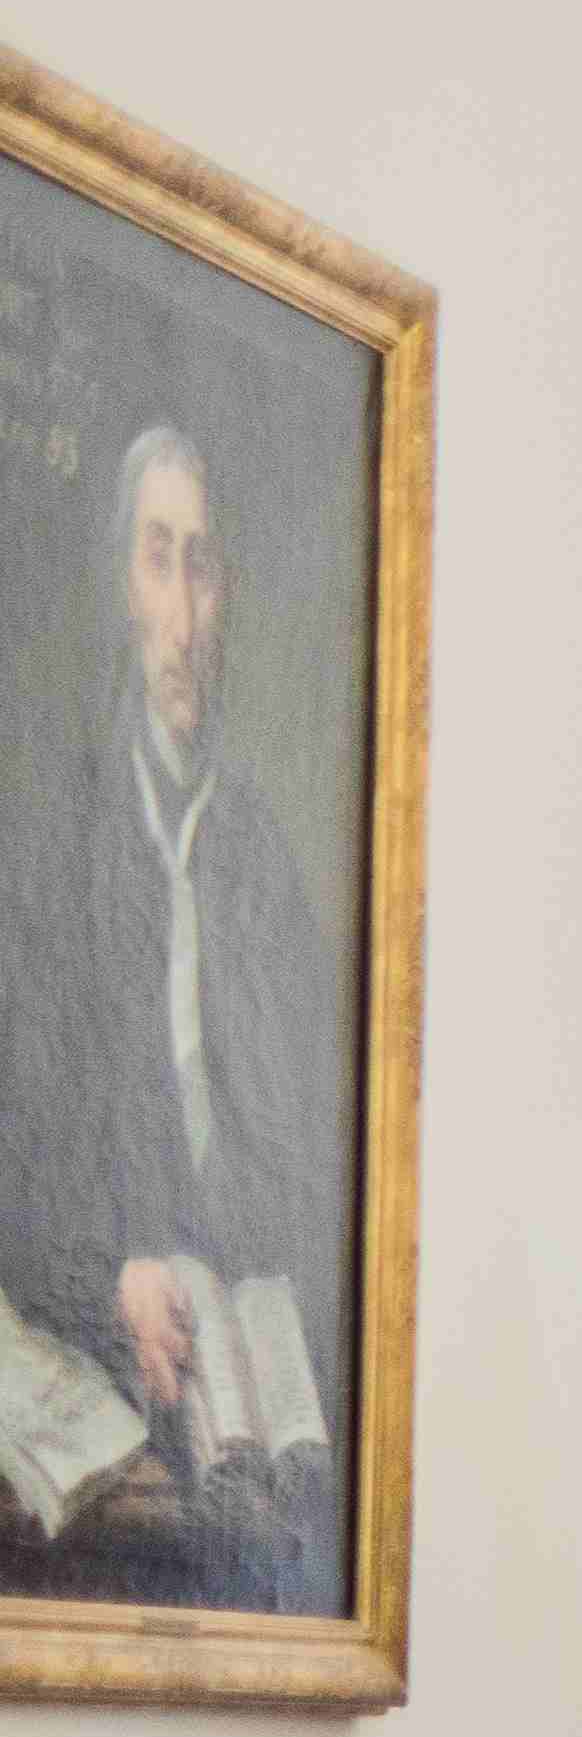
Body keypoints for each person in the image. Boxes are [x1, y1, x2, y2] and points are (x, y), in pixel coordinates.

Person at [3, 422, 349, 1610]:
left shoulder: (259, 855)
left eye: (204, 564)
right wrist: (107, 1279)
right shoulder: (54, 835)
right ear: (119, 586)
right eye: (160, 559)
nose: (187, 614)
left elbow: (313, 1156)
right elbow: (17, 1152)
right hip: (114, 1334)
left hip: (248, 1349)